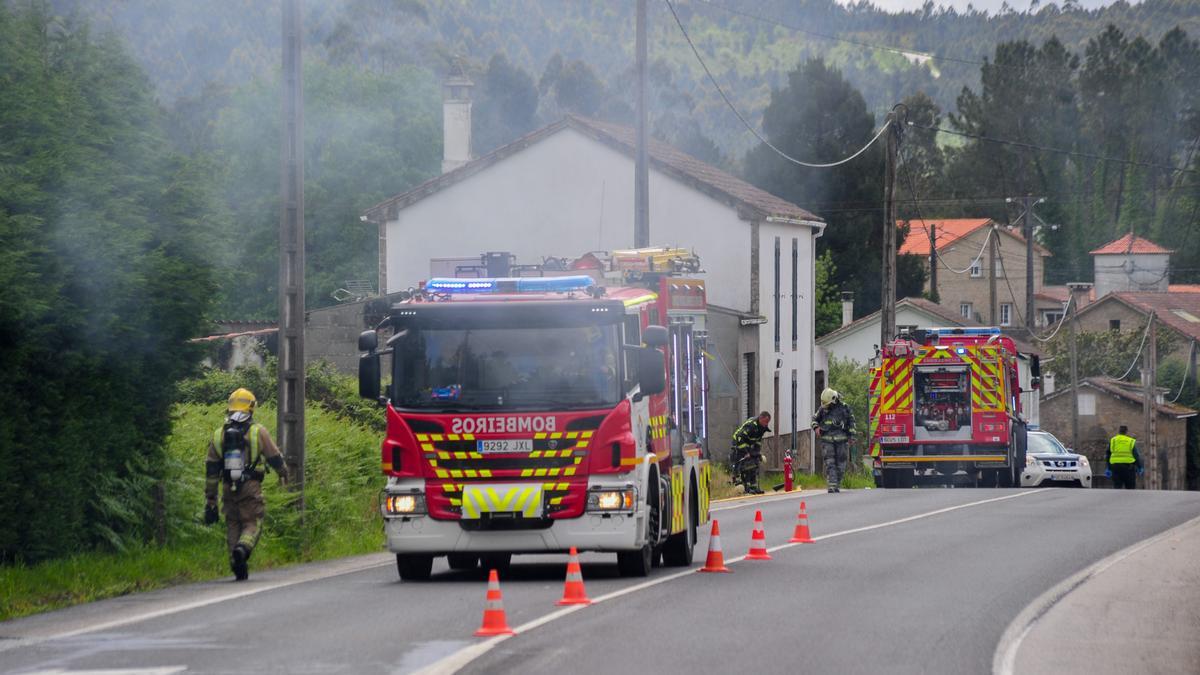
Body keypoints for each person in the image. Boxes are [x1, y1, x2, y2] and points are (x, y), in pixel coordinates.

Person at [204, 388, 289, 580]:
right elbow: (274, 457)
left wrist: (211, 499)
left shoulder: (218, 435)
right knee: (253, 522)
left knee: (233, 523)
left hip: (227, 487)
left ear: (230, 408)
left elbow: (211, 471)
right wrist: (283, 473)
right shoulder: (258, 432)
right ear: (251, 408)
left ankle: (236, 562)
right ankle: (242, 549)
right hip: (250, 486)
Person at [812, 388, 856, 493]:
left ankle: (837, 484)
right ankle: (832, 485)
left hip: (842, 441)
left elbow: (852, 422)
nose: (826, 407)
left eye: (828, 404)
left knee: (841, 464)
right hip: (827, 441)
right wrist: (816, 427)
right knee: (830, 463)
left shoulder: (845, 408)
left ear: (834, 399)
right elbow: (814, 419)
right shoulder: (823, 409)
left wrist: (852, 437)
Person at [730, 412, 772, 494]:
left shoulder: (762, 428)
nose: (766, 424)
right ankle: (740, 486)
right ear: (760, 418)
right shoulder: (751, 425)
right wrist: (746, 452)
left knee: (754, 463)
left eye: (768, 422)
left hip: (748, 444)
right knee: (741, 463)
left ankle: (753, 486)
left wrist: (756, 454)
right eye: (765, 421)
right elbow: (740, 437)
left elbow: (758, 442)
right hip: (739, 442)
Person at [1105, 425, 1143, 490]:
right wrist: (1140, 467)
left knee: (1117, 487)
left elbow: (1108, 454)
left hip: (1115, 467)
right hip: (1129, 468)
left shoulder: (1113, 440)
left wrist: (1108, 468)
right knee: (1130, 488)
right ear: (1126, 432)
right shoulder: (1130, 441)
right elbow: (1136, 455)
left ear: (1119, 431)